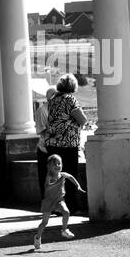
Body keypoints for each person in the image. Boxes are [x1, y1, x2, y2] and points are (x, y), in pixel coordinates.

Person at [39, 74, 87, 203]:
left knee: (55, 176)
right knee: (69, 175)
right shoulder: (70, 99)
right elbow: (82, 119)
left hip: (52, 143)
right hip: (68, 144)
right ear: (73, 86)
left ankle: (56, 205)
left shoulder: (53, 99)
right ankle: (71, 206)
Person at [33, 153, 83, 250]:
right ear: (49, 167)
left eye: (59, 163)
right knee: (44, 223)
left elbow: (70, 176)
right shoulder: (49, 176)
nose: (57, 166)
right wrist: (58, 182)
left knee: (66, 212)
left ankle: (64, 230)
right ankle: (37, 237)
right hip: (49, 201)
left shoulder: (62, 175)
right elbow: (47, 187)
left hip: (59, 200)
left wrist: (78, 185)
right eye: (54, 164)